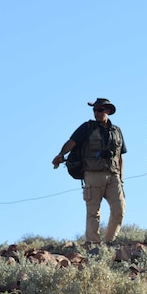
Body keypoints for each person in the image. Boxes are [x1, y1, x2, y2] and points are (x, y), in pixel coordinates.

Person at [52, 98, 127, 245]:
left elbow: (121, 156)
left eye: (100, 110)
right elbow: (72, 142)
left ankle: (109, 242)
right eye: (95, 110)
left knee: (119, 209)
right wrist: (61, 155)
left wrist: (120, 177)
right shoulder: (87, 127)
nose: (96, 113)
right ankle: (93, 245)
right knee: (93, 212)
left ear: (108, 111)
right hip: (92, 174)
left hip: (113, 175)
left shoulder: (117, 131)